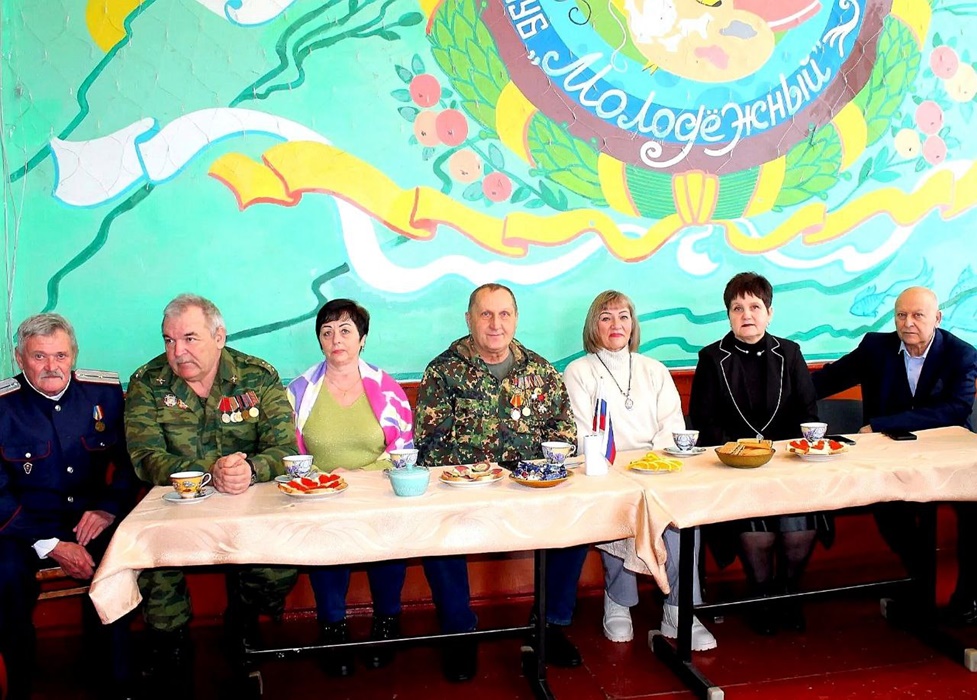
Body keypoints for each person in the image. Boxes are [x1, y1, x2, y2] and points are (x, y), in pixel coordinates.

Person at [414, 283, 588, 682]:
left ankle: (548, 625)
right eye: (486, 314)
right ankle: (458, 632)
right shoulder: (443, 372)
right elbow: (428, 443)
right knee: (435, 529)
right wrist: (475, 474)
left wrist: (537, 472)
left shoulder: (540, 371)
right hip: (464, 491)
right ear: (469, 319)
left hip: (529, 489)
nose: (496, 324)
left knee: (577, 522)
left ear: (516, 319)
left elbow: (564, 432)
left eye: (504, 314)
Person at [125, 294, 299, 691]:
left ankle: (243, 621)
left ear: (219, 337)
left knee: (279, 565)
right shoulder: (147, 382)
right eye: (169, 340)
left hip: (246, 503)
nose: (177, 351)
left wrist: (251, 469)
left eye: (189, 339)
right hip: (175, 506)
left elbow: (284, 449)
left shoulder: (257, 376)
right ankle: (172, 644)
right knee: (151, 558)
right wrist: (210, 472)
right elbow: (145, 458)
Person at [811, 286, 977, 622]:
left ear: (937, 318)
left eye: (917, 315)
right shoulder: (876, 347)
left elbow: (955, 409)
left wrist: (882, 424)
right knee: (887, 508)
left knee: (974, 512)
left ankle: (965, 600)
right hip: (890, 460)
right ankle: (921, 583)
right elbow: (826, 380)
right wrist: (776, 387)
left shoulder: (961, 354)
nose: (908, 323)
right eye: (901, 315)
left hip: (947, 457)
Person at [564, 291, 718, 650]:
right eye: (605, 317)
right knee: (618, 507)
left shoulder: (654, 369)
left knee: (682, 513)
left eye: (623, 316)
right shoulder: (578, 372)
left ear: (633, 325)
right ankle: (618, 601)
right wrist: (622, 470)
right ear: (593, 326)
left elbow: (672, 426)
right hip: (607, 471)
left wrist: (652, 466)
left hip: (656, 469)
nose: (616, 324)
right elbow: (583, 434)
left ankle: (678, 609)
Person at [0, 313, 140, 700]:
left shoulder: (103, 395)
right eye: (39, 356)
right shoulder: (3, 407)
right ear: (19, 359)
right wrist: (51, 545)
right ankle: (18, 681)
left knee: (118, 558)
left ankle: (115, 679)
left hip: (89, 518)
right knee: (5, 575)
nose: (52, 366)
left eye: (60, 355)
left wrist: (108, 508)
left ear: (73, 355)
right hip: (21, 529)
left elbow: (130, 465)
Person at [689, 272, 826, 635]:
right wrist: (745, 451)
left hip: (788, 465)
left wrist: (781, 452)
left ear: (769, 313)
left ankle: (788, 593)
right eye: (737, 308)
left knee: (799, 527)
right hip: (736, 469)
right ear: (729, 315)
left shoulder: (790, 353)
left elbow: (808, 415)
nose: (746, 314)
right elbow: (704, 422)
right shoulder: (711, 358)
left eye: (754, 306)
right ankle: (762, 595)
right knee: (758, 533)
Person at [286, 299, 413, 676]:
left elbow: (404, 451)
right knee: (326, 537)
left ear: (362, 339)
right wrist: (326, 481)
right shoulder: (299, 391)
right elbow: (288, 453)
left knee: (388, 534)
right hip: (320, 494)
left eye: (345, 331)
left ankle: (387, 623)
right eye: (327, 332)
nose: (336, 340)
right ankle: (333, 629)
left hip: (379, 491)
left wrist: (361, 475)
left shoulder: (388, 389)